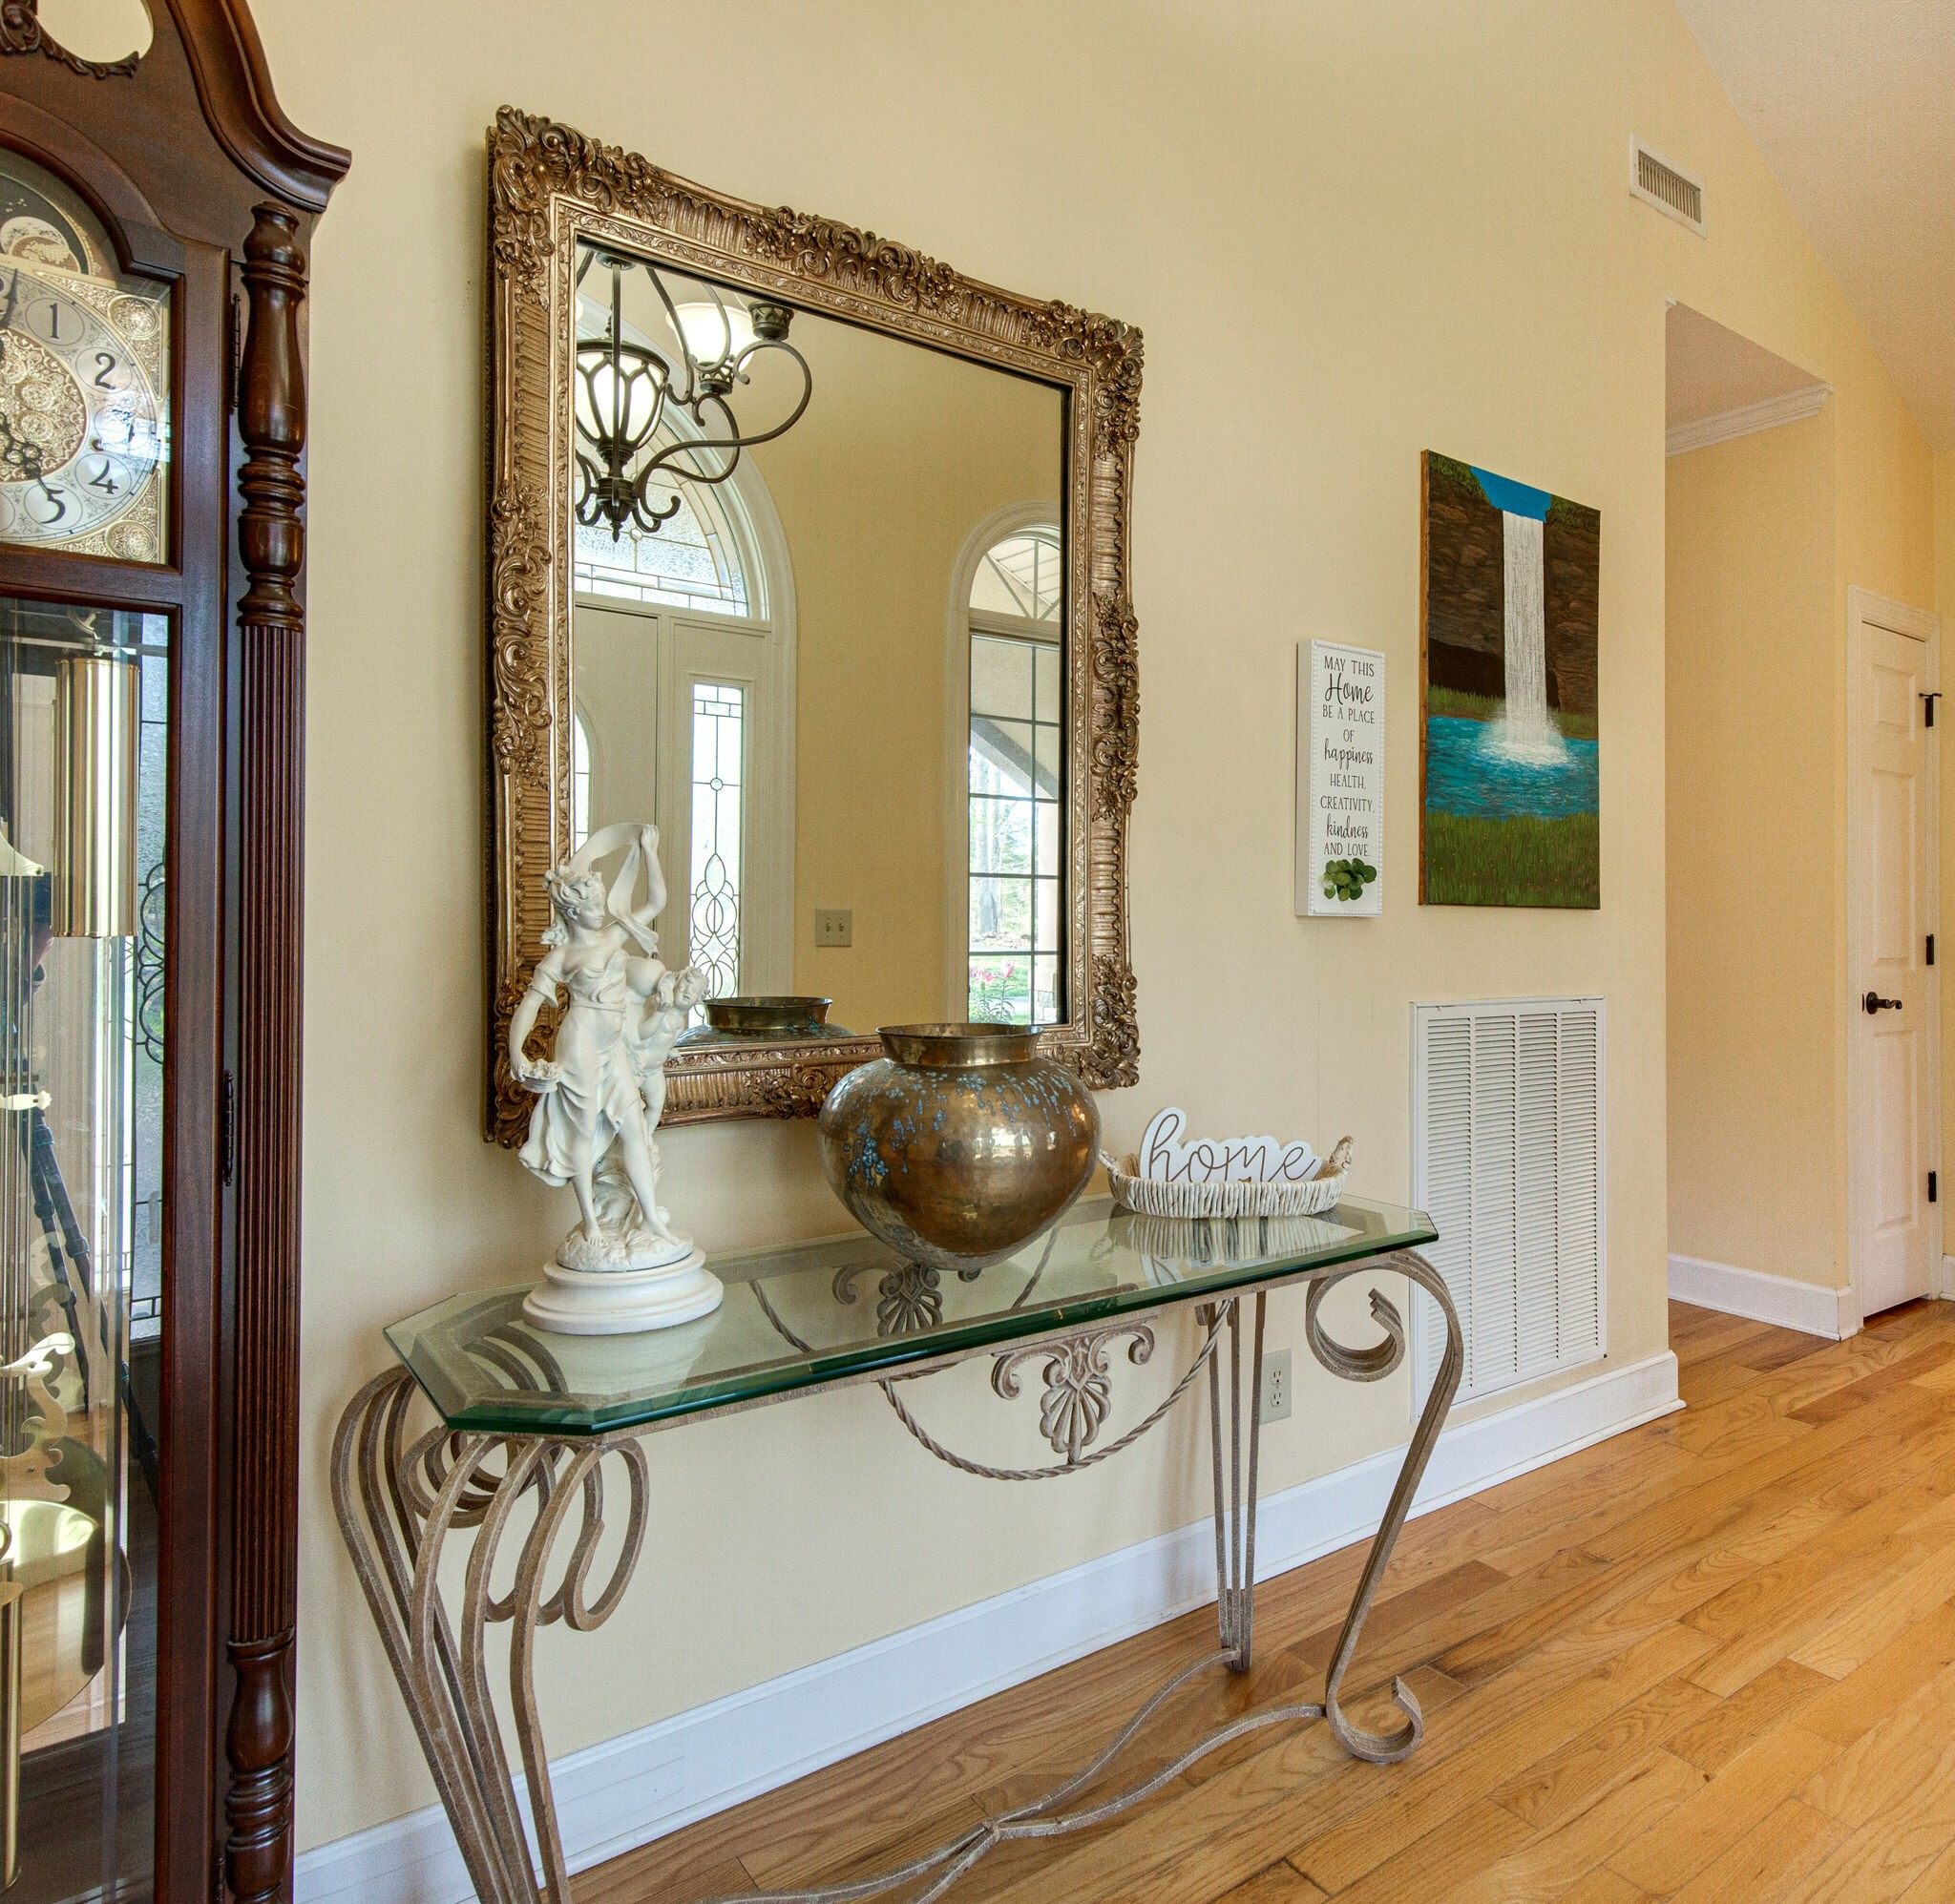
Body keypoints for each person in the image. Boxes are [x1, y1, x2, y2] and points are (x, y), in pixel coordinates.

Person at [508, 821, 699, 1265]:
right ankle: (591, 1220)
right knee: (580, 1135)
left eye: (599, 901)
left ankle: (650, 1217)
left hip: (614, 1049)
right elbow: (530, 1008)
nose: (600, 909)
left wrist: (648, 848)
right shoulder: (561, 957)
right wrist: (518, 1054)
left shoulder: (614, 935)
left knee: (633, 1126)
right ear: (572, 913)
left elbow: (656, 901)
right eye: (592, 904)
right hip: (579, 1048)